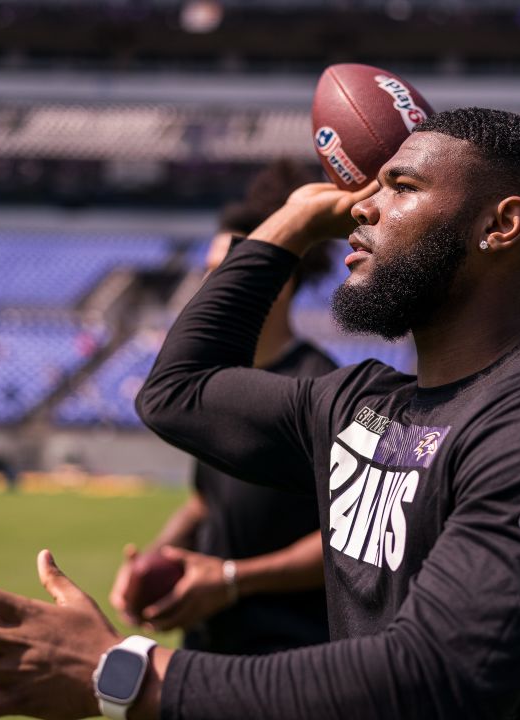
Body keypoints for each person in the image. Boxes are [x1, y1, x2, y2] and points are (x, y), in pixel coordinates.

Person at [0, 108, 520, 720]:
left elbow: (439, 679)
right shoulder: (360, 402)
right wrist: (290, 225)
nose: (361, 210)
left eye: (402, 187)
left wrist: (124, 673)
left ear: (501, 225)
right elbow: (178, 393)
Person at [109, 160, 335, 654]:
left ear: (275, 274)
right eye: (209, 270)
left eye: (226, 269)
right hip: (205, 643)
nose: (211, 284)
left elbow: (348, 539)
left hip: (287, 655)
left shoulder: (322, 388)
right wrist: (156, 559)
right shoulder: (217, 383)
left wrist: (234, 579)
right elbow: (204, 501)